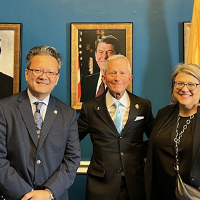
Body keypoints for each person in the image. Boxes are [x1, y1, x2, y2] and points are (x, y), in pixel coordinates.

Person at [0, 45, 81, 200]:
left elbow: (72, 159)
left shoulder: (67, 114)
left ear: (56, 78)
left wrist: (48, 193)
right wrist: (28, 194)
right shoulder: (4, 109)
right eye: (37, 70)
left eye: (51, 72)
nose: (44, 76)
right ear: (26, 73)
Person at [78, 55, 154, 200]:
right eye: (112, 73)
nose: (117, 78)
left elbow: (157, 139)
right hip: (100, 186)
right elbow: (71, 140)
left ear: (129, 78)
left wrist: (136, 150)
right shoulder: (90, 108)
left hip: (136, 184)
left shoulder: (143, 106)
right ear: (104, 78)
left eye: (122, 73)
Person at [145, 63, 200, 200]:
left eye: (191, 84)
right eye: (179, 83)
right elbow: (152, 146)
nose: (184, 89)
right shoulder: (164, 114)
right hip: (161, 192)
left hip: (192, 194)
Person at [80, 35, 120, 102]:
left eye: (109, 52)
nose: (104, 56)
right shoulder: (88, 82)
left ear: (118, 56)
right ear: (95, 56)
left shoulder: (122, 82)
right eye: (101, 52)